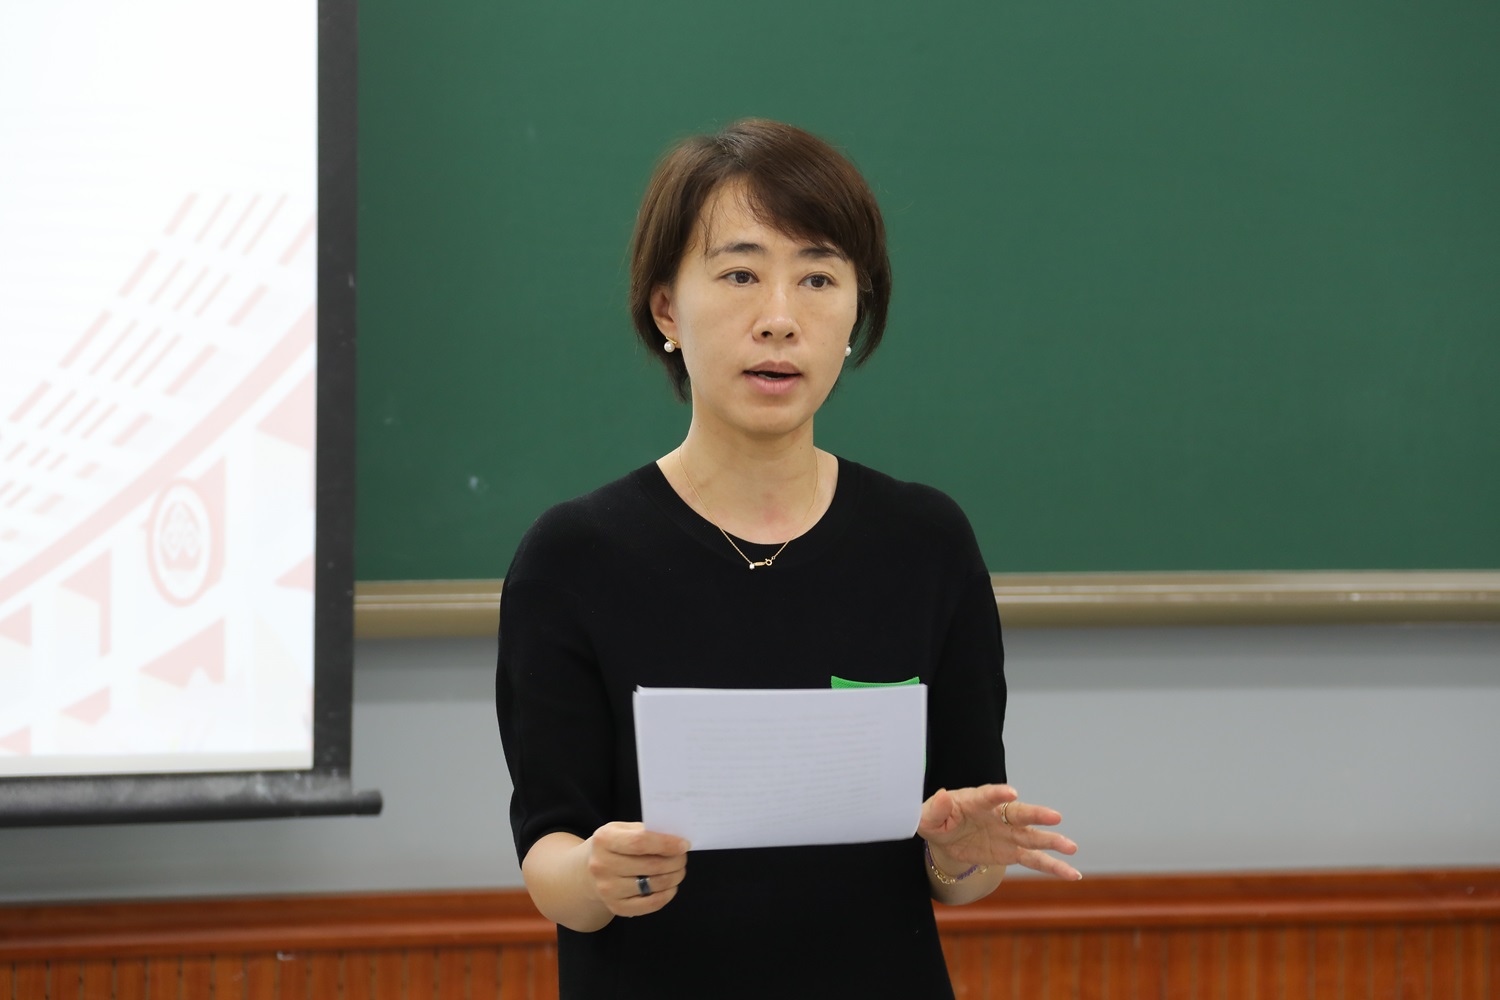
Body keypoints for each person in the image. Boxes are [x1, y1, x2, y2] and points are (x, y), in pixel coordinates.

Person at [496, 118, 1080, 998]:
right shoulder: (575, 556)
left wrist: (964, 854)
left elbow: (960, 868)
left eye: (818, 278)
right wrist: (599, 875)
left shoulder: (924, 542)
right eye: (739, 275)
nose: (779, 319)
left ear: (854, 314)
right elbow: (552, 858)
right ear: (667, 309)